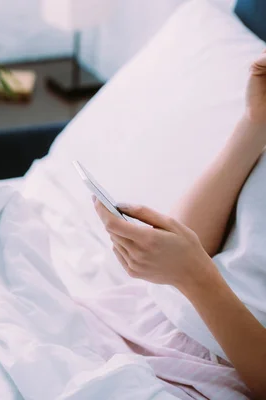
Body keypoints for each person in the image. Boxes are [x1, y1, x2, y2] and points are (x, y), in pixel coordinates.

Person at [93, 52, 266, 399]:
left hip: (224, 367)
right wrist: (254, 123)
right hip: (152, 319)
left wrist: (194, 276)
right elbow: (193, 239)